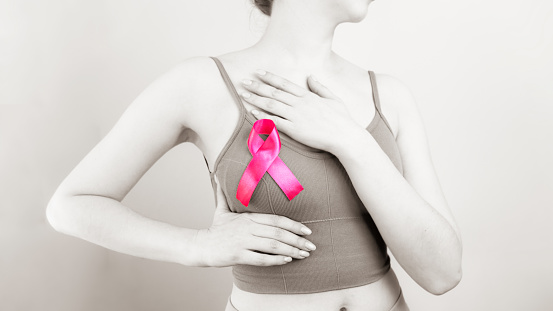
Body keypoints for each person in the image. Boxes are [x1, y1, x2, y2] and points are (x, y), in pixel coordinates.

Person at [46, 0, 463, 310]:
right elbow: (70, 205)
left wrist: (350, 140)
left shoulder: (391, 97)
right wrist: (197, 246)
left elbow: (443, 274)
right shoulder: (200, 84)